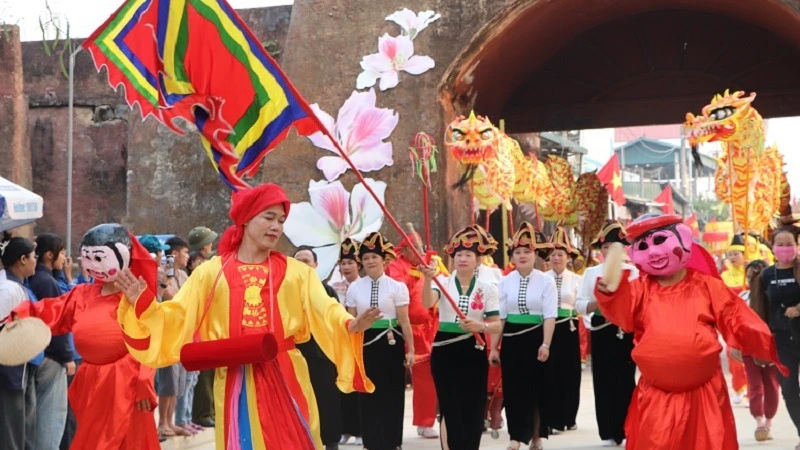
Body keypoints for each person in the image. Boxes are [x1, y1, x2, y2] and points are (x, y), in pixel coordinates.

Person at [115, 183, 379, 449]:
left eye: (281, 220)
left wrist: (349, 324)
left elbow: (327, 310)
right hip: (234, 377)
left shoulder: (297, 273)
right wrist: (143, 306)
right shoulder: (212, 272)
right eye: (268, 217)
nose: (276, 226)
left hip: (286, 374)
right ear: (246, 219)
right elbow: (177, 315)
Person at [594, 213, 785, 450]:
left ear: (682, 239)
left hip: (704, 393)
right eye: (643, 246)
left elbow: (734, 316)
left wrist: (753, 343)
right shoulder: (639, 289)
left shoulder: (706, 285)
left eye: (660, 241)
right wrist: (609, 294)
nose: (653, 252)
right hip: (656, 395)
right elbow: (622, 314)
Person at [7, 224, 161, 450]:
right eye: (88, 257)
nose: (93, 265)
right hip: (92, 381)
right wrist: (17, 316)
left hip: (125, 381)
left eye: (100, 257)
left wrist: (144, 379)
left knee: (127, 441)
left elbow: (152, 336)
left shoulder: (135, 295)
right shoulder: (83, 294)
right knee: (92, 438)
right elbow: (51, 311)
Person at [420, 225, 501, 450]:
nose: (462, 259)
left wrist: (479, 325)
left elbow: (496, 326)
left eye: (468, 255)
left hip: (472, 349)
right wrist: (428, 279)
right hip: (445, 349)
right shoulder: (443, 283)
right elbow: (427, 303)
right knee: (449, 405)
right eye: (458, 255)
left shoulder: (487, 289)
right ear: (452, 259)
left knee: (473, 406)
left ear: (478, 260)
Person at [345, 231, 414, 450]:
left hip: (391, 342)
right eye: (366, 258)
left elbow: (404, 320)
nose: (370, 261)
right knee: (367, 392)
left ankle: (393, 442)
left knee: (392, 392)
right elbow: (350, 320)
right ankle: (371, 442)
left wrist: (411, 350)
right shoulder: (355, 287)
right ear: (361, 262)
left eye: (374, 257)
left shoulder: (397, 287)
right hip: (364, 344)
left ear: (384, 260)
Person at [492, 222, 557, 450]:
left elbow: (550, 316)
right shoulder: (505, 281)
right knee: (514, 389)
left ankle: (537, 435)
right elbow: (500, 317)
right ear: (512, 256)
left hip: (537, 338)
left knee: (537, 389)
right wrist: (493, 347)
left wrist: (546, 344)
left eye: (527, 251)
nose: (522, 256)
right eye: (517, 252)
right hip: (512, 339)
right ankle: (516, 436)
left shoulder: (546, 280)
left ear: (535, 254)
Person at [575, 220, 637, 447]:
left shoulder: (634, 272)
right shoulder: (592, 273)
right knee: (603, 380)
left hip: (625, 330)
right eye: (605, 247)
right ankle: (608, 431)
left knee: (626, 380)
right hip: (601, 328)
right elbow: (579, 306)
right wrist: (598, 302)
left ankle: (628, 427)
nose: (608, 251)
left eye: (614, 247)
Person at [385, 230, 441, 440]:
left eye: (421, 248)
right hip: (401, 328)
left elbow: (442, 284)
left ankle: (425, 422)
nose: (418, 252)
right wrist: (421, 275)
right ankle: (388, 425)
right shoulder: (396, 266)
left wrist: (432, 272)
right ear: (405, 249)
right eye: (414, 248)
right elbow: (399, 291)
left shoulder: (431, 263)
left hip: (427, 329)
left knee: (426, 378)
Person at [749, 225, 800, 449]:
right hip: (781, 340)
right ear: (772, 247)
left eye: (790, 244)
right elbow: (758, 309)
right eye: (780, 244)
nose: (785, 248)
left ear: (797, 246)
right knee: (789, 391)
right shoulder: (767, 275)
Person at [28, 233, 76, 450]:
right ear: (49, 255)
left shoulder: (35, 278)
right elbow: (58, 325)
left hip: (38, 354)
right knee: (52, 415)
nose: (64, 258)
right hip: (52, 357)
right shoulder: (46, 282)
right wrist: (67, 356)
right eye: (61, 252)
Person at [293, 246, 343, 450]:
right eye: (298, 261)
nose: (302, 265)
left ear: (316, 265)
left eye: (306, 261)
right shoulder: (283, 291)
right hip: (295, 355)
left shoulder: (327, 291)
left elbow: (337, 322)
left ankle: (330, 441)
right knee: (298, 400)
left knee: (327, 399)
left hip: (323, 355)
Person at [0, 234, 40, 450]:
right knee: (10, 431)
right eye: (34, 256)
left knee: (16, 427)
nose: (37, 260)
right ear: (23, 259)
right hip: (7, 370)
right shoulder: (8, 289)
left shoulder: (14, 286)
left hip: (17, 367)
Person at [734, 259, 779, 442]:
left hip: (771, 346)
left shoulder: (773, 295)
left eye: (758, 272)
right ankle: (759, 421)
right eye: (751, 274)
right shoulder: (743, 297)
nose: (754, 276)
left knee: (772, 386)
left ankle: (768, 421)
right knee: (754, 385)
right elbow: (735, 322)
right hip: (748, 347)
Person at [545, 226, 583, 433]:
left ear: (568, 257)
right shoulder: (542, 278)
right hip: (547, 327)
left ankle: (569, 416)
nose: (556, 258)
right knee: (550, 371)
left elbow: (583, 306)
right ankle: (552, 416)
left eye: (560, 254)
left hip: (568, 328)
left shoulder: (577, 280)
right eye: (553, 255)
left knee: (569, 372)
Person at [335, 238, 363, 446]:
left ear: (359, 264)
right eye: (343, 263)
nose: (346, 267)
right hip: (339, 341)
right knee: (342, 383)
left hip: (362, 340)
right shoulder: (333, 287)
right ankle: (345, 429)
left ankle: (361, 429)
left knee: (360, 384)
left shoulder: (365, 285)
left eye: (350, 262)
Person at [721, 234, 749, 404]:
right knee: (732, 354)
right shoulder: (724, 277)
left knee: (750, 357)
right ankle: (739, 387)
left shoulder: (752, 272)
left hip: (750, 321)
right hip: (731, 321)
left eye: (736, 254)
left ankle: (752, 390)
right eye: (730, 254)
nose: (732, 257)